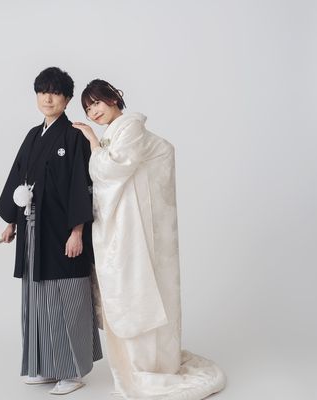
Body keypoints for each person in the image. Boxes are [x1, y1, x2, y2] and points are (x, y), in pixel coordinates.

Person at [72, 79, 226, 399]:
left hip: (137, 225)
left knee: (139, 288)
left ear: (114, 99)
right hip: (130, 223)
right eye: (87, 109)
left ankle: (149, 365)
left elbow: (111, 170)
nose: (93, 112)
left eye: (97, 102)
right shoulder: (116, 132)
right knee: (132, 288)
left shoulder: (130, 127)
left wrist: (92, 141)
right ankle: (136, 364)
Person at [0, 67, 102, 395]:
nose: (48, 98)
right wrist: (11, 221)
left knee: (67, 296)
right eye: (43, 92)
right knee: (37, 298)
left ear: (67, 99)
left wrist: (77, 231)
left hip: (63, 230)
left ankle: (72, 371)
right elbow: (18, 178)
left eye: (55, 93)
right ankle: (44, 366)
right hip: (33, 231)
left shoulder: (74, 135)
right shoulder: (32, 135)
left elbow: (81, 185)